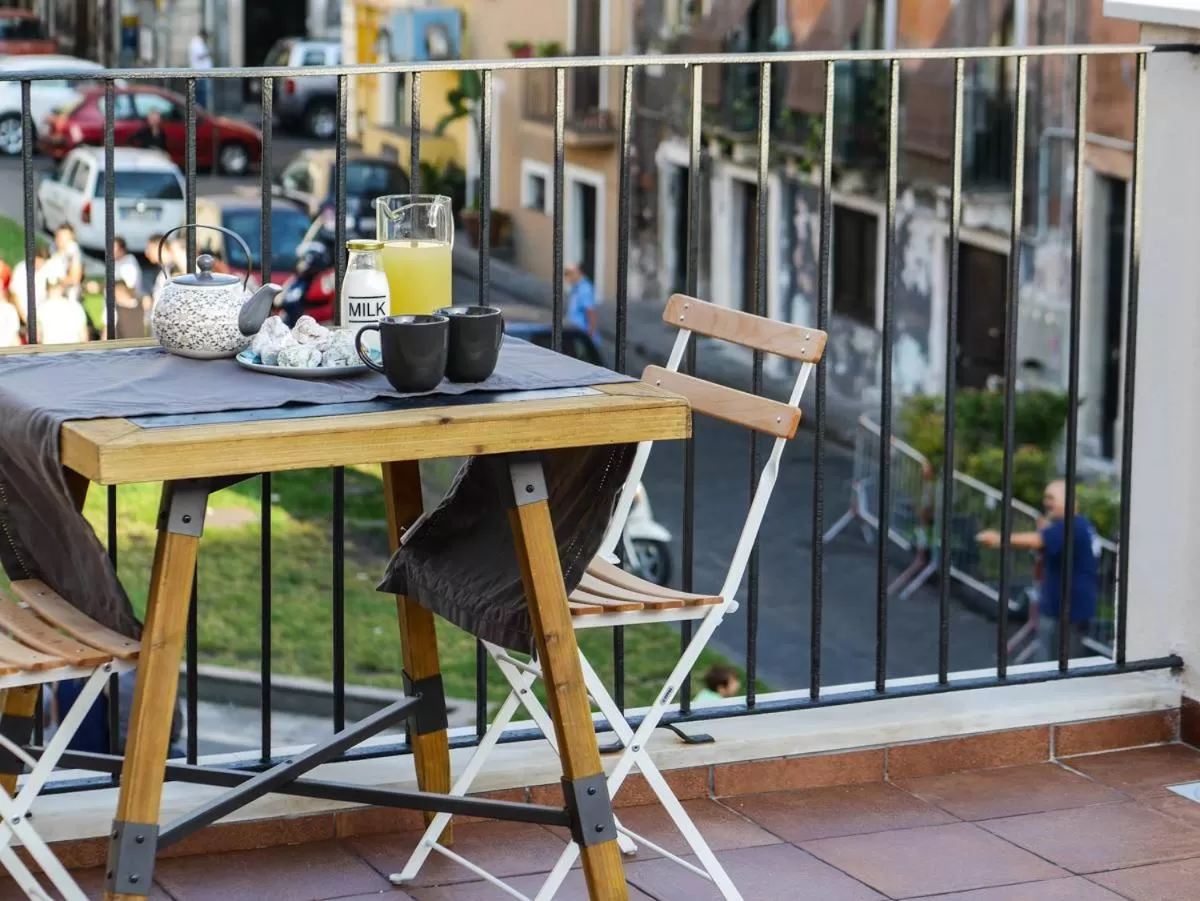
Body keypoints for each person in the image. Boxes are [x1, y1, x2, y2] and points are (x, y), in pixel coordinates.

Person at [977, 479, 1099, 661]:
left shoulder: (1069, 527)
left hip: (1065, 611)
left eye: (1051, 498)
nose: (1046, 503)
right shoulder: (1077, 525)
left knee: (1055, 664)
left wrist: (998, 538)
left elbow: (1037, 541)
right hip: (1067, 608)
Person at [37, 279, 90, 344]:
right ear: (61, 288)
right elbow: (84, 336)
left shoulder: (41, 307)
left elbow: (37, 337)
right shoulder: (75, 306)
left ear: (47, 289)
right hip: (73, 349)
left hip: (49, 350)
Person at [9, 243, 50, 326]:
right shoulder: (20, 270)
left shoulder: (45, 272)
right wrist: (25, 319)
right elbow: (14, 295)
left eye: (43, 262)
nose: (40, 265)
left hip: (37, 318)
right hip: (19, 316)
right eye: (38, 261)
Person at [49, 225, 84, 303]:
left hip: (69, 297)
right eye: (58, 236)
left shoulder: (73, 252)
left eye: (64, 237)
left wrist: (54, 282)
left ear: (72, 237)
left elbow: (75, 278)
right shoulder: (53, 249)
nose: (60, 239)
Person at [564, 263, 598, 338]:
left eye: (569, 273)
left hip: (582, 332)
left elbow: (590, 311)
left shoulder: (585, 288)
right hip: (575, 330)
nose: (567, 277)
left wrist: (590, 333)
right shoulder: (575, 288)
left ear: (578, 272)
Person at [189, 29, 214, 110]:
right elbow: (199, 55)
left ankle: (200, 113)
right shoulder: (196, 42)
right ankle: (199, 115)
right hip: (200, 74)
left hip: (203, 74)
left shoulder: (199, 42)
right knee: (200, 97)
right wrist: (208, 53)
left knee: (202, 96)